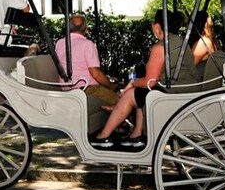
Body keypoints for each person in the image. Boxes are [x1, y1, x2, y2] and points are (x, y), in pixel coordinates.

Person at [89, 9, 199, 149]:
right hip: (187, 88)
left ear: (157, 26)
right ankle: (136, 135)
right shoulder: (181, 42)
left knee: (131, 94)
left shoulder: (160, 47)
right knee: (140, 93)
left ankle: (103, 136)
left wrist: (131, 83)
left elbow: (150, 81)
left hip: (175, 92)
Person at [55, 14, 119, 105]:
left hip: (66, 90)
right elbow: (95, 73)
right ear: (86, 29)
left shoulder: (60, 43)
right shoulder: (87, 44)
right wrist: (112, 87)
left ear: (68, 28)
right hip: (86, 89)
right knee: (123, 101)